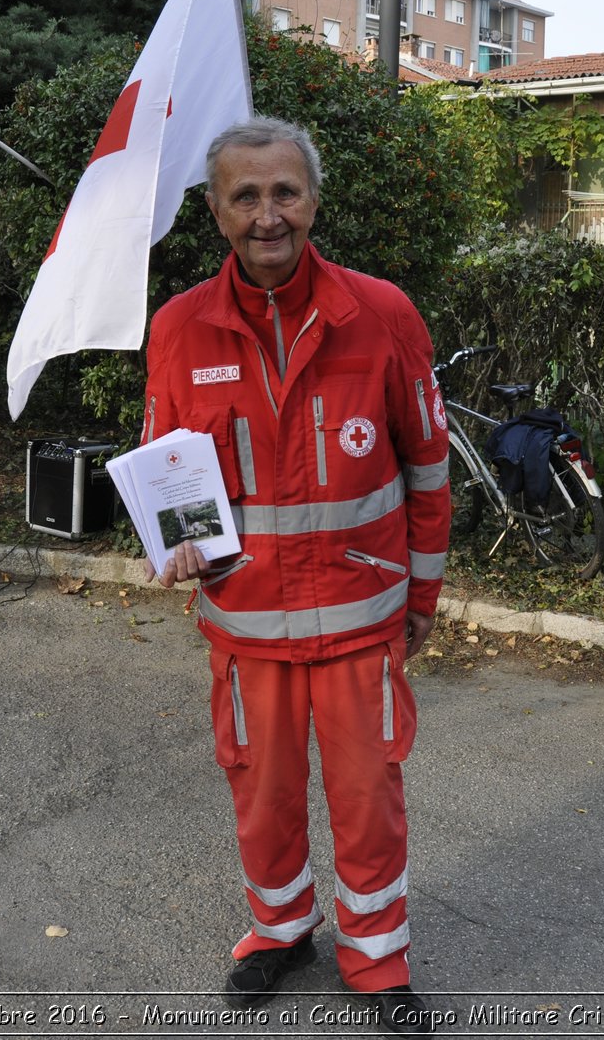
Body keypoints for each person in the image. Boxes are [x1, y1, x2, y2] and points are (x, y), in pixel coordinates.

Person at [141, 116, 449, 1034]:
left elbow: (427, 472)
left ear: (313, 200)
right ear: (215, 211)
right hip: (247, 627)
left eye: (284, 192)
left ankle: (378, 957)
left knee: (368, 799)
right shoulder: (177, 328)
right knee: (261, 792)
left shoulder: (383, 315)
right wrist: (172, 544)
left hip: (360, 618)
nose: (267, 215)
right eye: (246, 195)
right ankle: (280, 930)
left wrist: (422, 598)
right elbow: (166, 475)